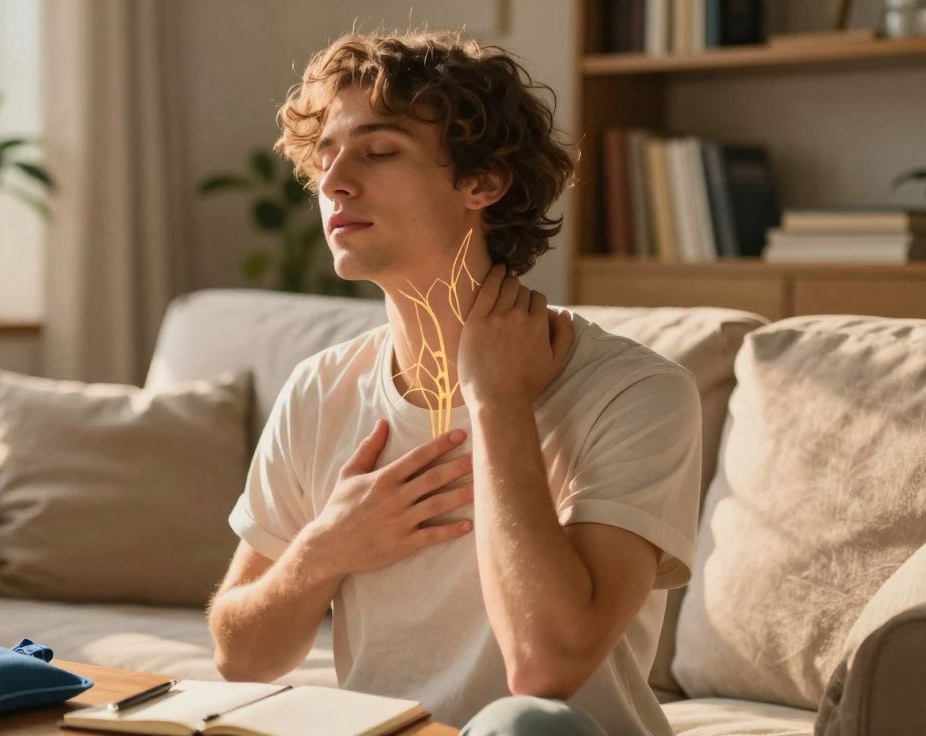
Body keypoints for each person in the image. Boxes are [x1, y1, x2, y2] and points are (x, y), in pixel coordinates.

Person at [206, 28, 702, 736]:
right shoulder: (321, 389)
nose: (335, 181)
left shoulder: (635, 393)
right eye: (326, 157)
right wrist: (326, 549)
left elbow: (546, 668)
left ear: (483, 182)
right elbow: (239, 656)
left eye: (379, 152)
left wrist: (498, 403)